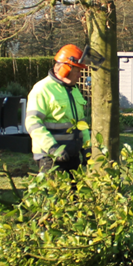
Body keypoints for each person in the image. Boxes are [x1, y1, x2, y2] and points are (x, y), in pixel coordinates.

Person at [26, 44, 91, 173]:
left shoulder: (74, 90)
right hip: (50, 157)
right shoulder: (42, 89)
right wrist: (52, 148)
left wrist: (87, 147)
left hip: (72, 155)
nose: (80, 75)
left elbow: (81, 123)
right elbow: (32, 122)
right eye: (77, 71)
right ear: (65, 69)